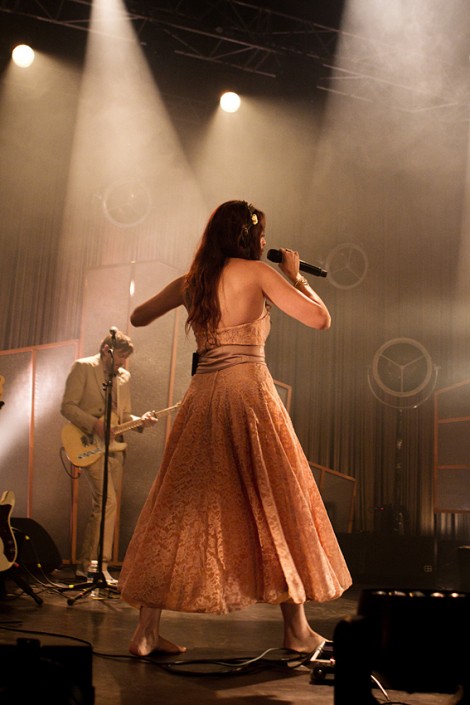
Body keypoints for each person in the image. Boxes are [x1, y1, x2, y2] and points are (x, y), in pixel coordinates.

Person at [118, 200, 352, 655]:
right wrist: (295, 275)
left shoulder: (193, 283)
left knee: (177, 506)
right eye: (261, 233)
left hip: (203, 398)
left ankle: (145, 631)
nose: (265, 241)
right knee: (275, 500)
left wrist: (183, 296)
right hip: (249, 397)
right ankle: (297, 631)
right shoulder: (258, 273)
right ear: (248, 237)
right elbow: (320, 319)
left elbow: (138, 317)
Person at [61, 329, 157, 585]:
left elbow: (123, 417)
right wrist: (94, 425)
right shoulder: (82, 367)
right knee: (107, 503)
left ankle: (94, 567)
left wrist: (141, 422)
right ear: (106, 350)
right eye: (120, 357)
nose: (123, 363)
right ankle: (92, 566)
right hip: (89, 444)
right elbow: (67, 406)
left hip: (114, 448)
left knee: (107, 507)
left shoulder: (124, 377)